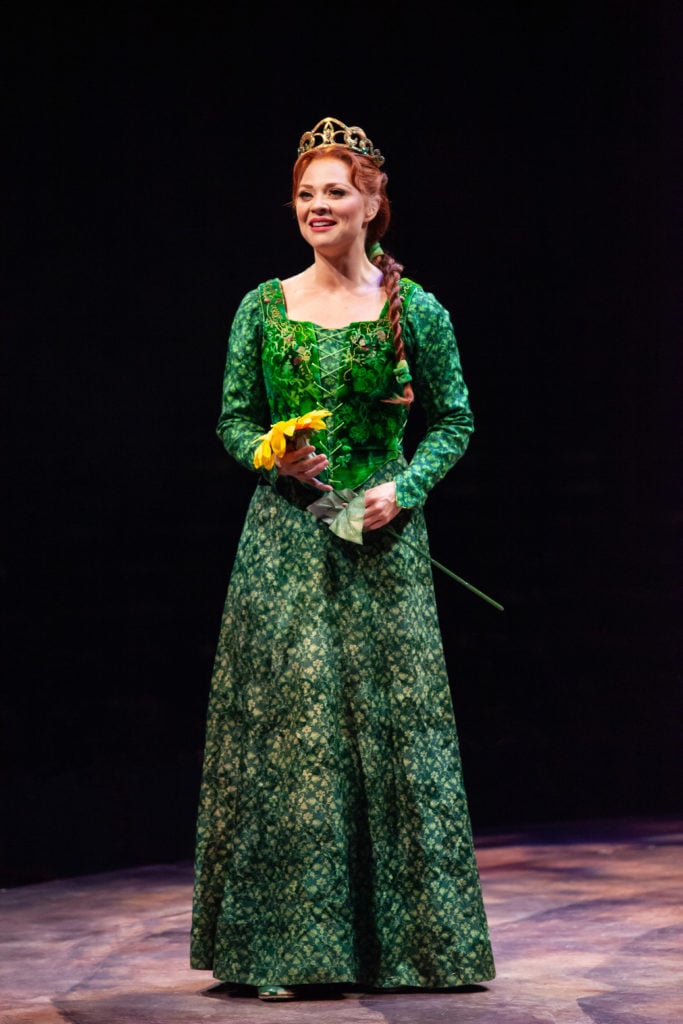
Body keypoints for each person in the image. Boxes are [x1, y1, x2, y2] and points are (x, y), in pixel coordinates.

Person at [190, 116, 496, 1002]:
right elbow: (232, 418)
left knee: (390, 734)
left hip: (382, 541)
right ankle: (282, 954)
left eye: (334, 192)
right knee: (294, 737)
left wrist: (407, 486)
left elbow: (457, 420)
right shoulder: (263, 305)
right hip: (287, 538)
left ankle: (413, 951)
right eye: (304, 194)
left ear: (371, 205)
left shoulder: (415, 308)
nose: (317, 207)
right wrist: (270, 455)